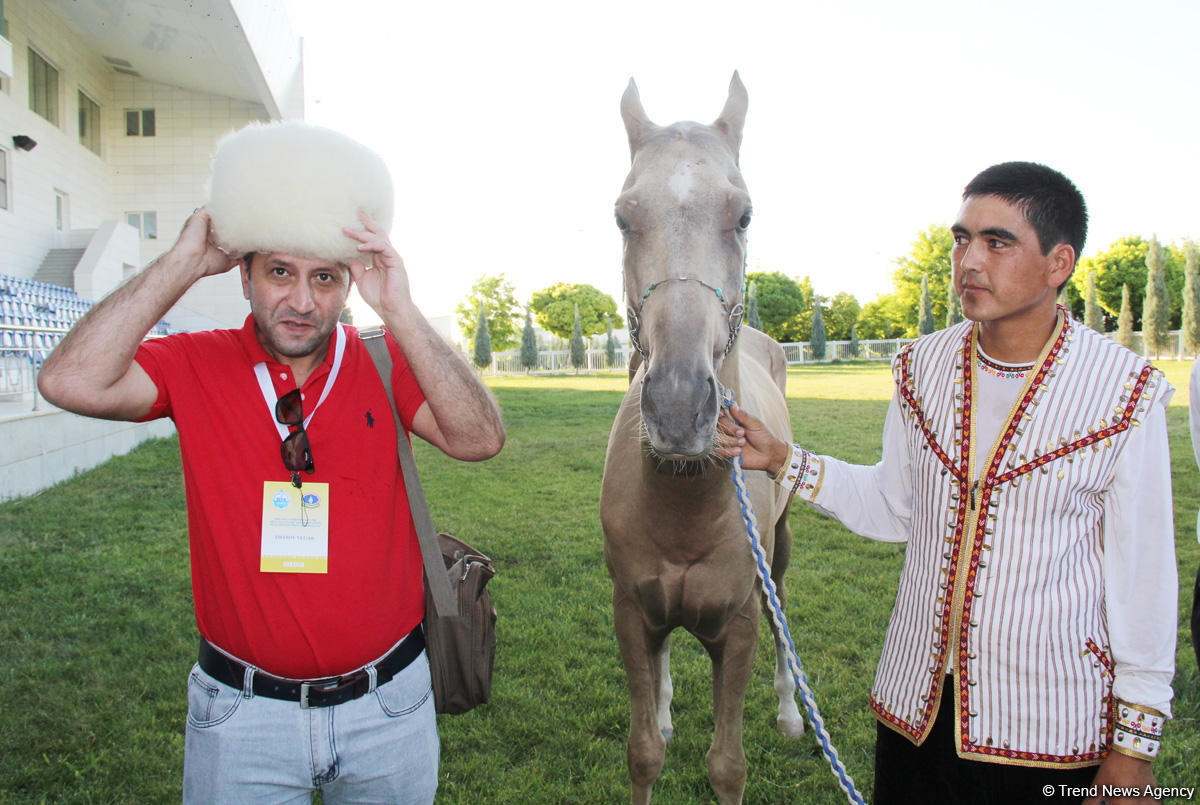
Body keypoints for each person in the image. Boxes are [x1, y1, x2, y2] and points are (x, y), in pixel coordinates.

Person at [37, 121, 505, 803]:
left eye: (324, 277)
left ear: (347, 283)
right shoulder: (196, 362)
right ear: (245, 274)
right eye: (280, 271)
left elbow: (480, 437)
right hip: (244, 715)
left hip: (387, 706)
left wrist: (400, 308)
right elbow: (68, 381)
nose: (301, 299)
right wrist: (181, 263)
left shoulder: (383, 359)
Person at [719, 162, 1175, 805]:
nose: (970, 260)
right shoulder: (922, 367)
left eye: (998, 242)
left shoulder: (1126, 393)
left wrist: (1134, 748)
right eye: (962, 239)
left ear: (1058, 262)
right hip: (915, 717)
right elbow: (894, 508)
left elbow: (1144, 578)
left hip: (1048, 733)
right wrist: (784, 460)